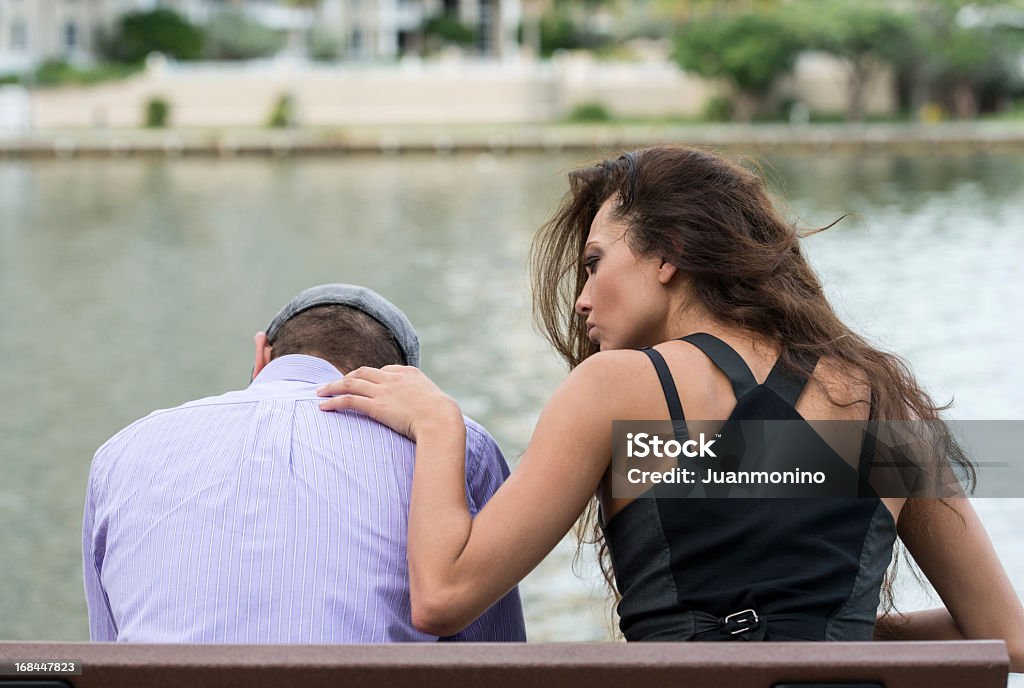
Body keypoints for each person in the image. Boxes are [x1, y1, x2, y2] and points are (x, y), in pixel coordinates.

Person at [317, 146, 1024, 666]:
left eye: (595, 263)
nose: (583, 298)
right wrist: (841, 628)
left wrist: (438, 424)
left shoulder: (617, 389)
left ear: (669, 254)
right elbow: (1008, 638)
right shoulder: (882, 400)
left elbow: (442, 595)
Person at [83, 283, 525, 643]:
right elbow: (492, 656)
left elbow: (110, 645)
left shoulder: (120, 452)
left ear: (261, 356)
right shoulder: (445, 441)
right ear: (401, 384)